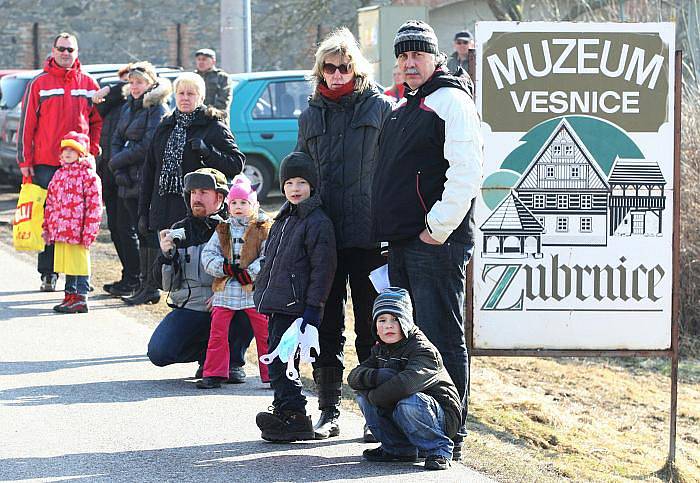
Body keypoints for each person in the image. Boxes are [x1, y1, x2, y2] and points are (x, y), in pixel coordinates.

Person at [371, 20, 483, 461]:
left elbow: (467, 171)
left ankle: (449, 434)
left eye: (418, 54)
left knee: (439, 336)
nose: (409, 62)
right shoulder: (407, 106)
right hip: (402, 243)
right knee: (404, 341)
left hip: (434, 243)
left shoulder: (451, 100)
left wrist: (437, 229)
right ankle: (409, 435)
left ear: (436, 58)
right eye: (402, 56)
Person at [296, 26, 393, 440]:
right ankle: (329, 409)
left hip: (371, 236)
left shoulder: (380, 108)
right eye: (330, 68)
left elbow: (395, 168)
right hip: (325, 237)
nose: (337, 74)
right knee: (326, 324)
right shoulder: (310, 113)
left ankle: (375, 412)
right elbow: (298, 169)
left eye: (345, 67)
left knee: (374, 326)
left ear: (357, 68)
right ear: (320, 70)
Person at [136, 72, 244, 306]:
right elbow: (149, 173)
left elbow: (236, 163)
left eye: (190, 93)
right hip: (165, 207)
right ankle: (178, 309)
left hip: (198, 212)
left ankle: (204, 311)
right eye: (181, 93)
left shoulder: (212, 125)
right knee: (171, 266)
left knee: (197, 269)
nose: (185, 98)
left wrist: (207, 151)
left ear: (201, 96)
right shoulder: (165, 126)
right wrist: (144, 212)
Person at [254, 152, 337, 442]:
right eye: (289, 182)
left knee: (283, 362)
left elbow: (323, 268)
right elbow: (272, 260)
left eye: (302, 182)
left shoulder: (317, 221)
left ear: (312, 185)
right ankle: (283, 409)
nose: (295, 188)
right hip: (277, 304)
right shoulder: (283, 218)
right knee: (277, 362)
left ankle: (295, 415)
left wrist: (313, 308)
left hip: (296, 308)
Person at [17, 32, 102, 292]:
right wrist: (25, 160)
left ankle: (76, 280)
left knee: (79, 221)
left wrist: (94, 149)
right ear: (53, 50)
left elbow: (98, 121)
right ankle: (48, 273)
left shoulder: (88, 84)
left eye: (70, 49)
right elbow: (27, 124)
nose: (66, 53)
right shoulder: (39, 83)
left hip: (79, 166)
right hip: (46, 164)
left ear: (77, 52)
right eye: (61, 49)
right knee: (50, 220)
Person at [348, 287, 461, 471]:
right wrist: (378, 375)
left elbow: (406, 384)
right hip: (399, 408)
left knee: (409, 401)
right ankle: (397, 449)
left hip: (439, 417)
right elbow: (354, 377)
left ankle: (439, 449)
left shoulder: (423, 350)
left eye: (395, 319)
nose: (388, 325)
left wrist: (374, 397)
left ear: (406, 322)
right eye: (382, 320)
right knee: (362, 395)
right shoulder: (381, 349)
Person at [147, 168, 245, 379]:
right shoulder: (179, 229)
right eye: (192, 193)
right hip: (190, 308)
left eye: (203, 192)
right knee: (158, 352)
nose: (196, 198)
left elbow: (253, 272)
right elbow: (164, 285)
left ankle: (233, 361)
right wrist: (166, 256)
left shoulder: (236, 229)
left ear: (220, 197)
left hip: (227, 305)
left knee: (247, 309)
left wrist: (224, 293)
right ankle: (209, 357)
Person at [199, 175, 272, 389]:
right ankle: (213, 373)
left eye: (244, 203)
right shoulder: (222, 229)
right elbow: (208, 255)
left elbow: (269, 256)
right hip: (226, 288)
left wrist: (251, 272)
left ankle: (272, 373)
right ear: (228, 205)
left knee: (264, 332)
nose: (239, 207)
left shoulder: (262, 228)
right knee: (218, 332)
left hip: (251, 289)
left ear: (253, 204)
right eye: (234, 203)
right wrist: (224, 268)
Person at [108, 62, 172, 305]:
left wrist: (117, 161)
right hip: (126, 178)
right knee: (135, 230)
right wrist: (118, 165)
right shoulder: (128, 107)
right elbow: (116, 137)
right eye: (132, 82)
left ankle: (151, 286)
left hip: (145, 179)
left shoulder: (156, 109)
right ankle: (142, 284)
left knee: (147, 232)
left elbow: (147, 146)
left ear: (151, 84)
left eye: (140, 82)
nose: (135, 87)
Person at [93, 65, 141, 297]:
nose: (127, 85)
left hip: (127, 175)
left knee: (126, 227)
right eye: (125, 81)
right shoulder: (115, 106)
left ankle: (135, 278)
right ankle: (128, 276)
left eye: (131, 81)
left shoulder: (134, 105)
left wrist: (113, 86)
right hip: (109, 172)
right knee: (115, 228)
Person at [42, 132, 103, 313]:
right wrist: (48, 226)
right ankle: (69, 295)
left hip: (79, 231)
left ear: (81, 153)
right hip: (62, 230)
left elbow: (94, 206)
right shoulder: (59, 175)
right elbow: (51, 202)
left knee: (79, 263)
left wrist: (89, 231)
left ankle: (81, 297)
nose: (68, 153)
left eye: (73, 149)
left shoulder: (89, 176)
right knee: (67, 263)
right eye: (65, 149)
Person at [194, 48, 233, 116]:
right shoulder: (193, 77)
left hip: (216, 116)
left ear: (213, 61)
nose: (201, 62)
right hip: (196, 117)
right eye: (198, 59)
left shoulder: (222, 77)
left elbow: (224, 100)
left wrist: (209, 112)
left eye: (204, 59)